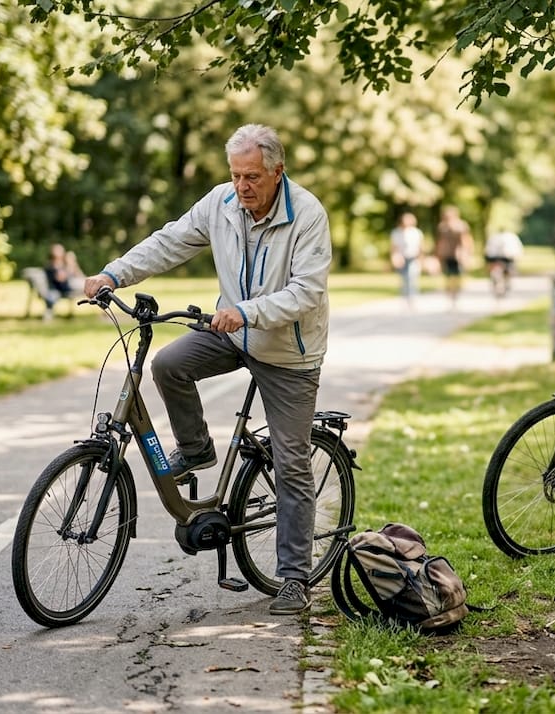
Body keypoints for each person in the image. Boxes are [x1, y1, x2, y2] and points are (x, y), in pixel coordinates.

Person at [82, 124, 331, 616]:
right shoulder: (220, 204)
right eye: (237, 175)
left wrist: (249, 310)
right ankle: (196, 450)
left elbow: (308, 291)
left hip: (287, 351)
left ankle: (294, 578)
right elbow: (169, 242)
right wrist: (113, 273)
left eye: (253, 176)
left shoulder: (307, 214)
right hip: (233, 331)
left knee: (291, 462)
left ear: (278, 172)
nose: (243, 186)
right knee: (169, 364)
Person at [434, 205, 473, 307]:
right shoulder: (442, 227)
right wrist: (438, 255)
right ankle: (450, 292)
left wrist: (466, 254)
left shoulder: (461, 226)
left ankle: (456, 292)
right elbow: (439, 242)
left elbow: (466, 240)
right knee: (448, 275)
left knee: (457, 275)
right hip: (446, 254)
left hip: (458, 255)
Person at [389, 212, 424, 309]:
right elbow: (394, 247)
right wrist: (395, 257)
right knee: (404, 280)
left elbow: (420, 248)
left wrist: (421, 261)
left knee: (412, 279)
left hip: (413, 258)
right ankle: (404, 300)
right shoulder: (396, 232)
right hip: (401, 258)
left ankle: (413, 300)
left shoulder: (416, 232)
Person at [42, 243, 84, 320]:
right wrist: (70, 267)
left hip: (68, 286)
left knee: (88, 285)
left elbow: (79, 275)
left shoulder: (64, 264)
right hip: (59, 289)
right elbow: (60, 278)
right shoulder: (51, 266)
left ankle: (103, 313)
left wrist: (73, 264)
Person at [484, 227, 523, 298]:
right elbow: (518, 248)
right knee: (507, 271)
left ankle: (501, 283)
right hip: (506, 257)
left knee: (500, 271)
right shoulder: (511, 236)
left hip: (495, 257)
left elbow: (488, 249)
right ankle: (504, 282)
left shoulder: (494, 237)